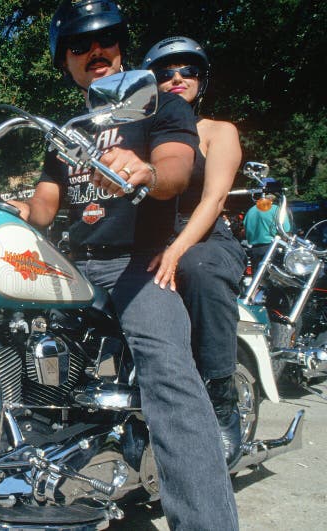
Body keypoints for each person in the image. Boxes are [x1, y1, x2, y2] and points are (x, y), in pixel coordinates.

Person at [9, 2, 239, 528]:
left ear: (120, 44)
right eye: (79, 45)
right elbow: (44, 206)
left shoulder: (156, 102)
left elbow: (177, 168)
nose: (96, 51)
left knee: (171, 379)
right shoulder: (67, 129)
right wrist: (6, 206)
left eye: (106, 38)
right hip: (72, 264)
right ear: (64, 61)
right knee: (18, 340)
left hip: (138, 264)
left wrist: (146, 172)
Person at [142, 36, 247, 467]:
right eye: (165, 74)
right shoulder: (140, 135)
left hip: (204, 239)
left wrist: (177, 249)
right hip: (151, 240)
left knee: (199, 268)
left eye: (187, 71)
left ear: (202, 81)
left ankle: (222, 396)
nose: (177, 79)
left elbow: (214, 199)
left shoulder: (218, 131)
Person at [244, 191, 291, 267]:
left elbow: (245, 231)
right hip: (272, 248)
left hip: (255, 250)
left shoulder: (250, 211)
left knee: (257, 275)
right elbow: (286, 230)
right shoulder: (276, 210)